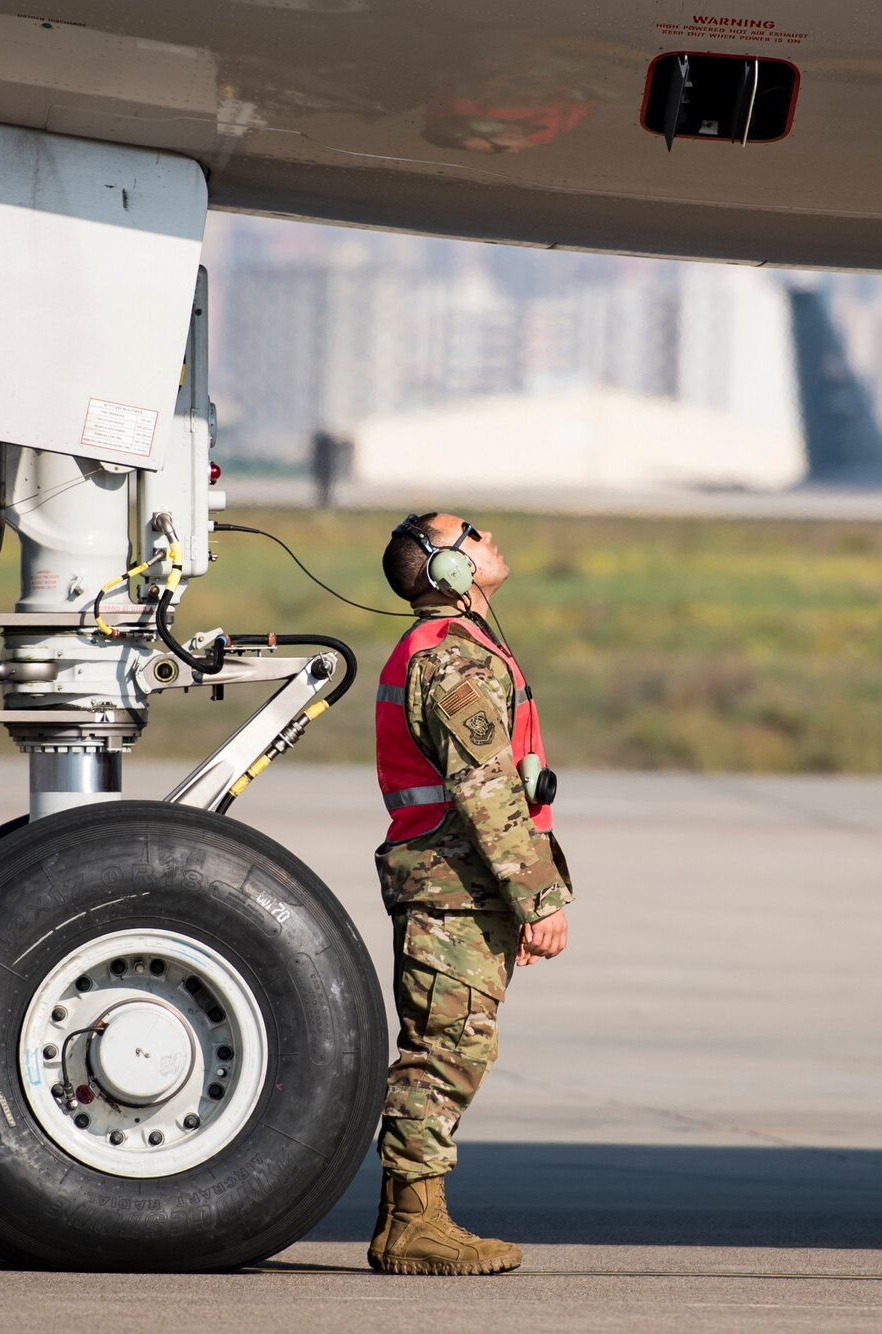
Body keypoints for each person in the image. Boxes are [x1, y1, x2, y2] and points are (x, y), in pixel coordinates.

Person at [367, 512, 572, 1276]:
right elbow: (487, 790)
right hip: (453, 881)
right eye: (473, 532)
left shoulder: (462, 651)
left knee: (451, 1045)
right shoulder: (452, 663)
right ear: (447, 570)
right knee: (446, 1051)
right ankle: (416, 1226)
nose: (490, 537)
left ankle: (406, 1222)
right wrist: (539, 899)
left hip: (457, 877)